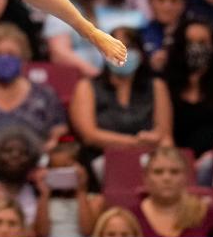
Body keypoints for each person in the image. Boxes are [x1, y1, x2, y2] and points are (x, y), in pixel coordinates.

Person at [70, 28, 172, 166]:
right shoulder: (87, 86)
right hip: (101, 158)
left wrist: (153, 141)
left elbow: (164, 133)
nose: (123, 51)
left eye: (129, 46)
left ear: (140, 53)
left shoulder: (156, 85)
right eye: (116, 45)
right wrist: (135, 142)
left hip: (148, 159)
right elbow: (90, 135)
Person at [46, 0, 144, 76]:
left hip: (124, 82)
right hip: (78, 82)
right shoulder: (63, 8)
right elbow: (59, 53)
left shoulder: (127, 12)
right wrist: (97, 78)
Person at [0, 23, 67, 146]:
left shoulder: (44, 94)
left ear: (23, 56)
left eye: (11, 54)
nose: (4, 59)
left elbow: (59, 131)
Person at [165, 19, 213, 164]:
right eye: (190, 42)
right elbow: (166, 134)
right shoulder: (166, 84)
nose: (196, 48)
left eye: (202, 42)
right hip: (182, 163)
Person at [131, 146, 213, 237]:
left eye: (174, 172)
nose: (167, 178)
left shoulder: (208, 215)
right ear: (145, 177)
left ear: (186, 176)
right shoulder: (131, 217)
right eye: (158, 172)